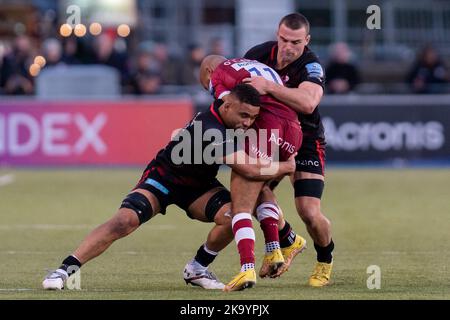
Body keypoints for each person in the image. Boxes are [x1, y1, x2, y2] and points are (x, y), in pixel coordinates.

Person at [42, 84, 296, 290]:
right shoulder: (211, 128)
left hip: (199, 187)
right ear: (226, 105)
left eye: (252, 117)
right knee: (124, 221)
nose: (248, 123)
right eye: (244, 116)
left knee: (234, 218)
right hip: (164, 178)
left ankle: (197, 269)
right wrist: (286, 167)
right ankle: (65, 270)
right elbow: (249, 169)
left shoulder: (227, 119)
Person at [197, 55, 306, 291]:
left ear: (207, 70)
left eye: (204, 83)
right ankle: (276, 248)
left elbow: (230, 109)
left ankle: (247, 269)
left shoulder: (219, 74)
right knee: (261, 187)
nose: (208, 87)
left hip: (268, 128)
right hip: (294, 130)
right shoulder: (255, 65)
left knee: (241, 204)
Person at [243, 12, 334, 287]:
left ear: (306, 40)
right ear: (277, 35)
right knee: (251, 189)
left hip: (305, 140)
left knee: (308, 210)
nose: (288, 46)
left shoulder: (311, 66)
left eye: (295, 41)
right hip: (270, 138)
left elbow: (307, 103)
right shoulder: (257, 55)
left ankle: (324, 260)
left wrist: (269, 87)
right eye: (283, 39)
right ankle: (288, 239)